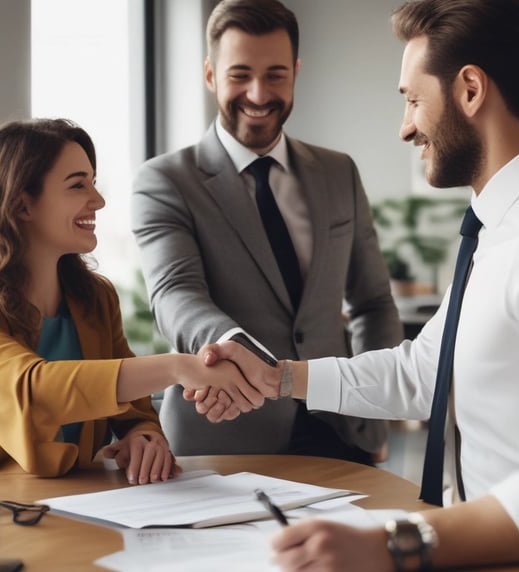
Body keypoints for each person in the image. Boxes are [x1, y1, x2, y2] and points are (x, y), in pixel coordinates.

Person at [190, 0, 519, 572]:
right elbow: (426, 373)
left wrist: (396, 544)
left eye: (412, 99)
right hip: (492, 558)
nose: (405, 126)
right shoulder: (501, 224)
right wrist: (281, 379)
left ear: (470, 90)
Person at [0, 118, 260, 484]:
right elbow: (34, 390)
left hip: (68, 501)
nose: (98, 200)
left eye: (93, 183)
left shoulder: (95, 298)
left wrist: (143, 437)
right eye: (78, 185)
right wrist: (178, 367)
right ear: (21, 204)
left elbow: (135, 410)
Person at [130, 0, 402, 464]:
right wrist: (236, 352)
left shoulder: (338, 172)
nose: (258, 94)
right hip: (224, 434)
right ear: (211, 75)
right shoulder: (166, 180)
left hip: (341, 431)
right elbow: (175, 295)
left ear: (296, 72)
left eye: (275, 74)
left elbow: (372, 302)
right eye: (240, 75)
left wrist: (375, 410)